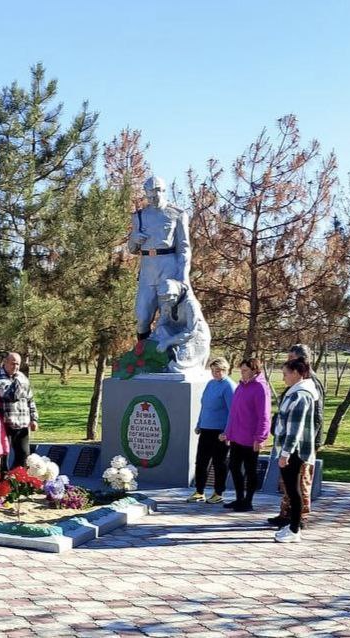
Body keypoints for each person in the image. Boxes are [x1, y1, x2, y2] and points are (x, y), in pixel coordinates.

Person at [268, 344, 326, 529]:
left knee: (300, 483)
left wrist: (311, 441)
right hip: (290, 443)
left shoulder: (308, 384)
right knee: (288, 484)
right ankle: (286, 514)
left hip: (301, 444)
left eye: (291, 358)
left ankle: (297, 519)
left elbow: (313, 416)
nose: (287, 361)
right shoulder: (295, 384)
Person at [127, 176, 192, 341]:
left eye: (155, 196)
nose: (152, 200)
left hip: (169, 268)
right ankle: (141, 353)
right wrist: (134, 238)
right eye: (149, 197)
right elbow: (133, 249)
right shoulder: (139, 216)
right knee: (142, 317)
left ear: (163, 191)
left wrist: (183, 275)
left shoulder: (177, 214)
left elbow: (184, 248)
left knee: (167, 318)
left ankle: (167, 358)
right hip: (148, 269)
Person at [220, 358, 271, 512]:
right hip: (236, 436)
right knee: (234, 467)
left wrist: (260, 437)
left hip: (250, 438)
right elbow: (234, 413)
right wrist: (228, 433)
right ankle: (239, 498)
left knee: (250, 470)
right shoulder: (240, 386)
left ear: (255, 370)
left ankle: (248, 501)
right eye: (241, 371)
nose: (242, 374)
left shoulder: (261, 388)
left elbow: (264, 415)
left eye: (245, 371)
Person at [187, 357, 236, 504]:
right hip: (206, 429)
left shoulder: (229, 386)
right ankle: (199, 491)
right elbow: (204, 406)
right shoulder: (210, 383)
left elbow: (232, 412)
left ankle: (218, 492)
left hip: (220, 432)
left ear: (225, 370)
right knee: (201, 461)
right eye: (213, 370)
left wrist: (227, 432)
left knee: (218, 463)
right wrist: (199, 423)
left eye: (219, 370)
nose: (215, 373)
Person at [0, 352, 39, 470]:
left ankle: (16, 482)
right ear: (5, 362)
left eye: (17, 364)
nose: (15, 366)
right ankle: (2, 483)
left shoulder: (22, 378)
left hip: (22, 423)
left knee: (23, 454)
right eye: (13, 363)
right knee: (3, 455)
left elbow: (30, 399)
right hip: (3, 424)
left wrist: (34, 419)